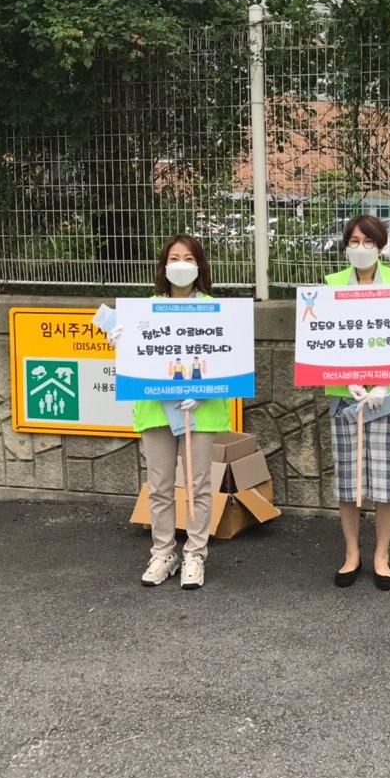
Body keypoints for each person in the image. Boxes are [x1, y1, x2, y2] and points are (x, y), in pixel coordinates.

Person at [108, 234, 231, 591]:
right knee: (160, 486)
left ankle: (195, 554)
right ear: (164, 265)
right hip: (155, 408)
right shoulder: (142, 311)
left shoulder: (214, 309)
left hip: (200, 411)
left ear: (199, 266)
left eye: (188, 258)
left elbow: (226, 359)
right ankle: (163, 552)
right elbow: (135, 360)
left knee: (198, 486)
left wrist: (204, 390)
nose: (181, 264)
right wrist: (120, 342)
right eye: (174, 257)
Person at [324, 214, 390, 591]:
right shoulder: (329, 286)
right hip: (346, 397)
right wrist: (347, 380)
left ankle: (381, 554)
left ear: (381, 245)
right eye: (354, 241)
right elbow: (324, 341)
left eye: (368, 241)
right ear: (346, 245)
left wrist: (385, 384)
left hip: (389, 399)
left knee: (386, 480)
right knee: (349, 479)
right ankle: (351, 553)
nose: (360, 247)